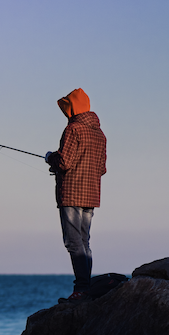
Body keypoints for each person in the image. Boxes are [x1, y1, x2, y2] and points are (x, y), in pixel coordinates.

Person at [45, 88, 107, 303]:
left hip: (71, 193)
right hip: (91, 195)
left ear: (72, 108)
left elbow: (64, 162)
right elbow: (101, 169)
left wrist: (51, 157)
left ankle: (81, 288)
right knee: (84, 241)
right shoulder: (100, 134)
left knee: (73, 242)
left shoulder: (73, 129)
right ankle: (86, 287)